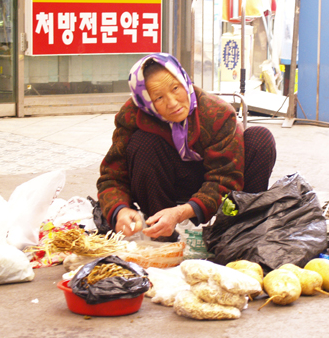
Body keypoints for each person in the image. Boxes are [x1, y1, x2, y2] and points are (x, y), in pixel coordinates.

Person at [97, 53, 276, 241]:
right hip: (170, 181)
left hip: (217, 185)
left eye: (175, 88)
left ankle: (241, 231)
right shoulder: (134, 115)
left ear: (184, 80)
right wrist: (120, 210)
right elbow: (112, 175)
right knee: (143, 143)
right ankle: (160, 231)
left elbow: (226, 180)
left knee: (260, 139)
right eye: (158, 98)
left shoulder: (217, 113)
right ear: (146, 102)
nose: (172, 103)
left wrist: (181, 212)